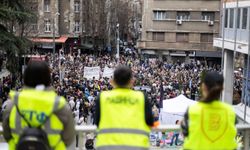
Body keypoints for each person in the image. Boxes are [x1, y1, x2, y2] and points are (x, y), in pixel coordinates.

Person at [3, 61, 75, 150]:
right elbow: (69, 137)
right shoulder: (61, 106)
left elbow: (7, 134)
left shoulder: (12, 104)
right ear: (49, 79)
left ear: (25, 78)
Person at [95, 66, 154, 150]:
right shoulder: (141, 97)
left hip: (107, 146)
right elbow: (150, 122)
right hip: (137, 146)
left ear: (112, 81)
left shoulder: (103, 97)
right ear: (132, 81)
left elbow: (97, 122)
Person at [181, 72, 237, 149]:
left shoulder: (192, 110)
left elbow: (185, 133)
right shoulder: (230, 111)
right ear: (222, 88)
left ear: (203, 87)